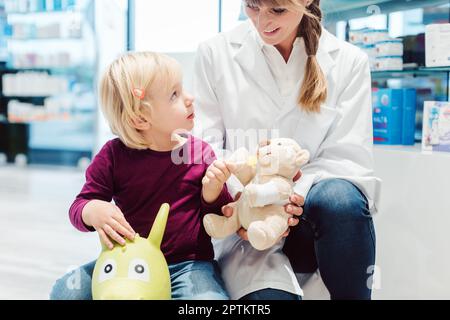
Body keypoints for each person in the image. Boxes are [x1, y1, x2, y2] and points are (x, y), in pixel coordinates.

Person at [193, 0, 381, 300]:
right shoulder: (215, 54)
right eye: (252, 6)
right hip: (244, 228)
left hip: (310, 221)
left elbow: (347, 161)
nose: (262, 21)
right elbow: (205, 151)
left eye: (277, 10)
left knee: (340, 199)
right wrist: (245, 202)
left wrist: (284, 200)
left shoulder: (348, 61)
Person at [50, 52, 233, 300]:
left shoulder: (200, 152)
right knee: (65, 293)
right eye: (174, 95)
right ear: (140, 119)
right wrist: (92, 210)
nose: (189, 98)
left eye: (182, 89)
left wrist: (213, 193)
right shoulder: (113, 156)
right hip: (126, 264)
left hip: (186, 265)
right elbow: (79, 206)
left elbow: (219, 217)